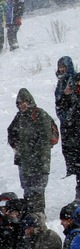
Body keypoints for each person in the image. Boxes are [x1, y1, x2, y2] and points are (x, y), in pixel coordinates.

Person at [7, 89, 57, 215]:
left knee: (37, 191)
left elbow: (45, 138)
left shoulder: (39, 114)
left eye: (24, 102)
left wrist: (32, 153)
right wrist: (17, 146)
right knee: (28, 191)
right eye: (19, 103)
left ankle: (38, 217)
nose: (21, 105)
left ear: (30, 101)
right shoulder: (19, 117)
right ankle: (31, 216)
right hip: (24, 161)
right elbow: (11, 131)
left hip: (38, 161)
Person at [56, 57, 80, 200]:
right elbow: (60, 106)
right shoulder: (61, 84)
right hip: (70, 131)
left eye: (64, 66)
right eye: (60, 66)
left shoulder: (72, 81)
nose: (62, 69)